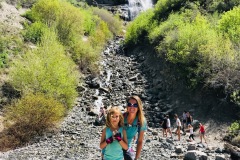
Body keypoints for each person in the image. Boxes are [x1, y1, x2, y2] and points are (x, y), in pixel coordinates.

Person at [123, 95, 147, 160]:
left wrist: (136, 158)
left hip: (127, 147)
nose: (132, 107)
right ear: (127, 106)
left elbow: (140, 141)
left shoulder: (141, 121)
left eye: (135, 105)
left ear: (139, 107)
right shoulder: (121, 117)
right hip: (115, 144)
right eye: (130, 104)